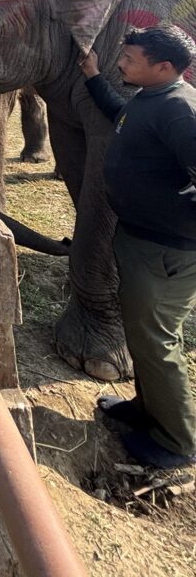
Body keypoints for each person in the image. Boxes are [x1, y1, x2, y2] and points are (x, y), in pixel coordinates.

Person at [79, 26, 196, 469]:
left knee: (157, 341)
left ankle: (176, 442)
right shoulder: (151, 97)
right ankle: (147, 409)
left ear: (163, 67)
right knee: (143, 335)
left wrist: (177, 218)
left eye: (130, 59)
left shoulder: (181, 111)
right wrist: (94, 77)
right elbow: (121, 115)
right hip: (141, 240)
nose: (121, 63)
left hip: (166, 250)